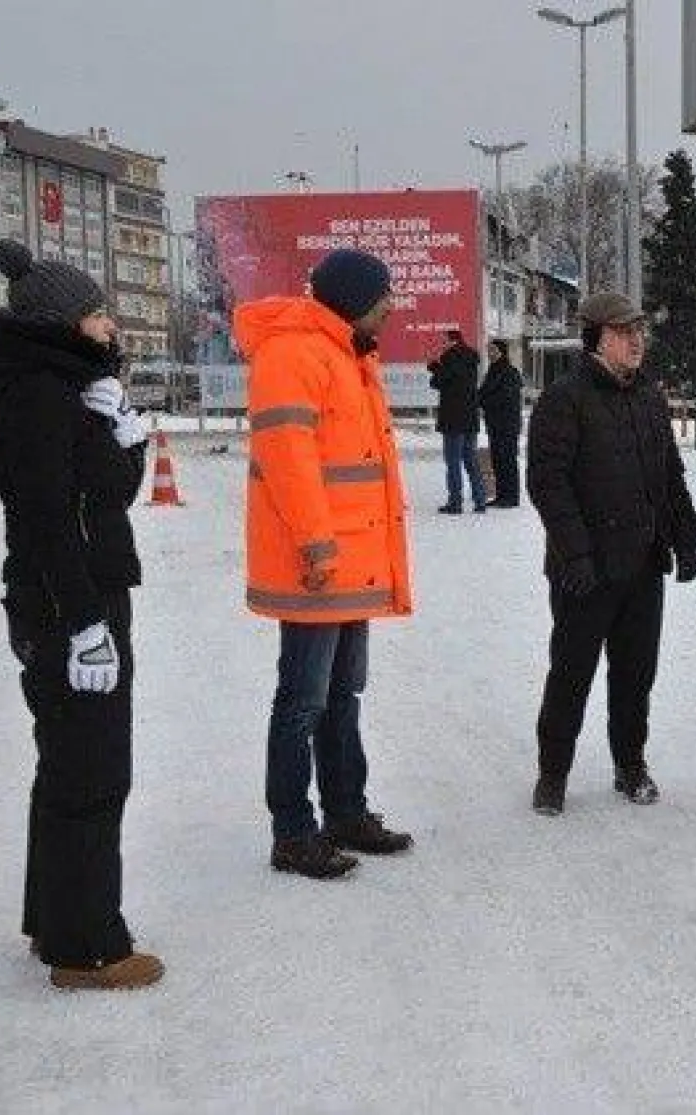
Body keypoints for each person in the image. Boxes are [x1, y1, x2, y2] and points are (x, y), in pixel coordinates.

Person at [0, 239, 161, 990]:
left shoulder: (66, 386)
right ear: (62, 322)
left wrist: (124, 438)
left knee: (68, 767)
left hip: (81, 593)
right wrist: (83, 624)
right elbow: (49, 519)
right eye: (98, 313)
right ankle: (86, 950)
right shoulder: (38, 395)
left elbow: (106, 496)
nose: (110, 324)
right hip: (67, 604)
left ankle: (55, 920)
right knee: (91, 773)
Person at [235, 248, 416, 881]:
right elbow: (289, 461)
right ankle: (293, 833)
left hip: (350, 561)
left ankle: (345, 813)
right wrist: (317, 543)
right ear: (353, 298)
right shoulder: (293, 353)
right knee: (302, 700)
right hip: (316, 563)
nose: (391, 306)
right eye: (383, 294)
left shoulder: (348, 354)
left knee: (343, 694)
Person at [526, 291, 696, 815]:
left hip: (643, 563)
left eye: (640, 332)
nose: (637, 341)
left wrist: (685, 537)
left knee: (635, 676)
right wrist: (575, 556)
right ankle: (552, 775)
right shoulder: (565, 397)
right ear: (596, 338)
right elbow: (548, 483)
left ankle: (631, 765)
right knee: (571, 675)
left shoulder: (648, 396)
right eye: (625, 332)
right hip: (586, 570)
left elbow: (669, 474)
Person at [427, 328, 488, 514]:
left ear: (452, 341)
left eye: (444, 341)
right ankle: (480, 500)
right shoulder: (471, 358)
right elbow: (455, 379)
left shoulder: (450, 357)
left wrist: (433, 366)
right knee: (471, 461)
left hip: (453, 418)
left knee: (453, 461)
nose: (442, 344)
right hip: (470, 417)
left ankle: (455, 502)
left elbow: (439, 382)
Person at [477, 338, 525, 507]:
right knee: (497, 460)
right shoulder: (492, 372)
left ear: (502, 352)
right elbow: (482, 394)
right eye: (489, 350)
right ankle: (501, 495)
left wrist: (485, 401)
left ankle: (511, 497)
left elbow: (505, 397)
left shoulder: (510, 372)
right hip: (494, 424)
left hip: (508, 424)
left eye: (494, 350)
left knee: (508, 460)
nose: (490, 354)